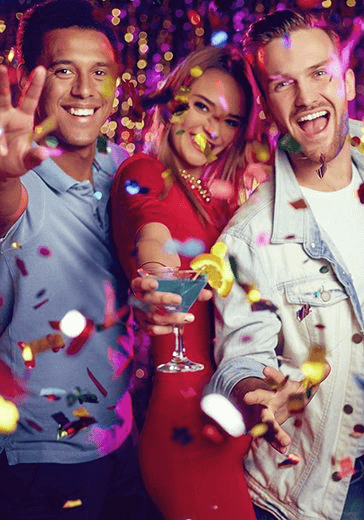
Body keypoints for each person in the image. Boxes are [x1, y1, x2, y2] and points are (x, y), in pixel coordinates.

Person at [202, 10, 364, 520]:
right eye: (283, 85)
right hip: (309, 494)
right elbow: (239, 359)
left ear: (348, 79)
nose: (308, 98)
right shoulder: (249, 234)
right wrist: (259, 397)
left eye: (320, 73)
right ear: (266, 105)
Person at [0, 0, 147, 517]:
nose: (85, 90)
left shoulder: (123, 168)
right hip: (37, 458)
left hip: (119, 438)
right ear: (28, 80)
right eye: (64, 70)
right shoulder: (10, 185)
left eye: (100, 73)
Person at [109, 46, 256, 520]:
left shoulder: (218, 198)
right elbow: (151, 228)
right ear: (174, 99)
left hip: (231, 425)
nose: (213, 131)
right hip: (184, 435)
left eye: (231, 121)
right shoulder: (144, 172)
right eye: (201, 106)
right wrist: (156, 275)